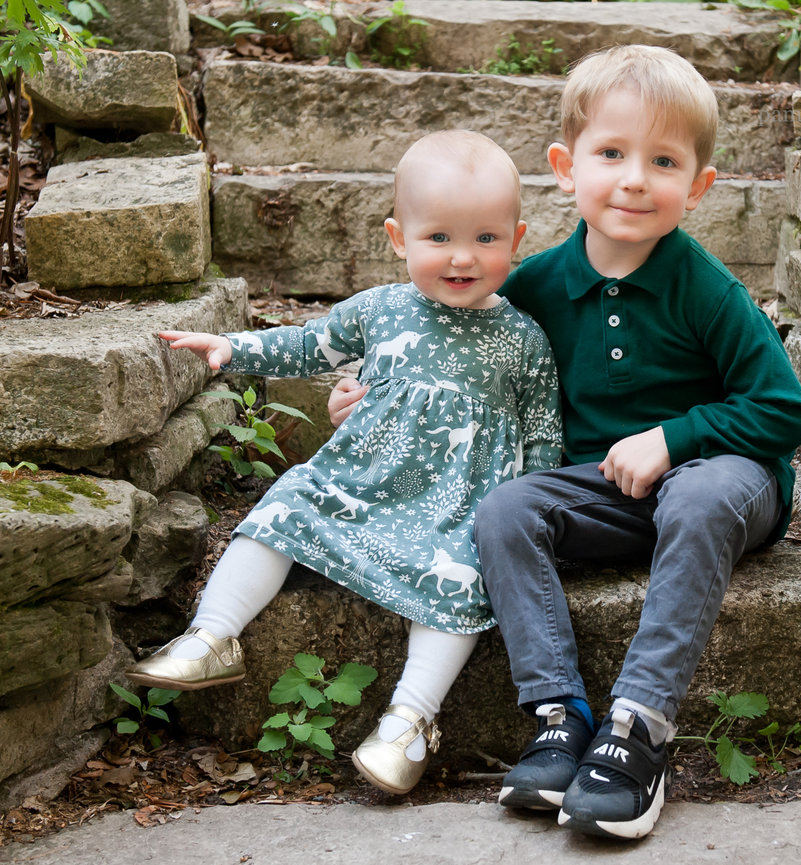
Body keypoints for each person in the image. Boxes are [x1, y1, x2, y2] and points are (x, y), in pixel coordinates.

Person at [329, 45, 801, 838]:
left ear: (697, 187)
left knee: (698, 492)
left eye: (662, 161)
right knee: (504, 509)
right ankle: (559, 718)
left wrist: (676, 436)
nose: (633, 179)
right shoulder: (532, 287)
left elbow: (781, 410)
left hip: (722, 487)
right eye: (611, 153)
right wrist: (373, 400)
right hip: (603, 494)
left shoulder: (705, 288)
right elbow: (449, 357)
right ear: (565, 168)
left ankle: (638, 728)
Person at [128, 130, 563, 798]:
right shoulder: (380, 309)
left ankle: (409, 718)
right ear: (398, 237)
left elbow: (541, 434)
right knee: (288, 499)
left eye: (485, 238)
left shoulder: (524, 338)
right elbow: (308, 346)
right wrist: (232, 346)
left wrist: (531, 511)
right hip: (362, 482)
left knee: (458, 580)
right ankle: (212, 634)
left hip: (457, 509)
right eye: (438, 237)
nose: (462, 257)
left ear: (517, 238)